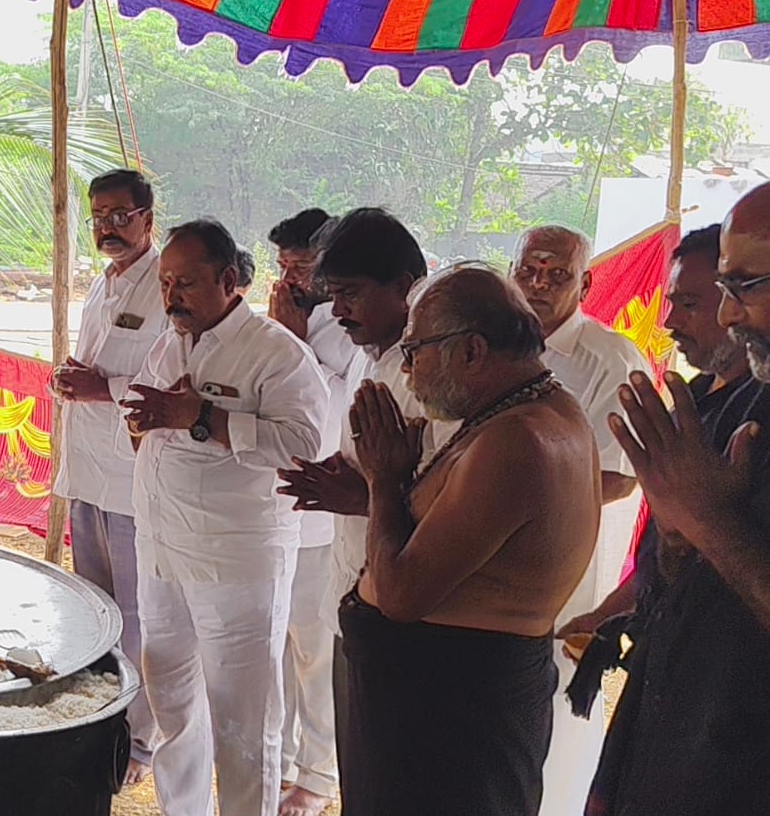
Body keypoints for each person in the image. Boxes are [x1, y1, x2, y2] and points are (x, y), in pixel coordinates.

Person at [343, 264, 599, 816]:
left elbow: (402, 596)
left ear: (472, 351)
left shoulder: (518, 440)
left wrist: (384, 479)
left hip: (453, 724)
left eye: (414, 352)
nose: (406, 370)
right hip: (446, 705)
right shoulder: (533, 411)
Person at [123, 220, 328, 816]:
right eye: (165, 283)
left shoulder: (276, 352)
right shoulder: (170, 342)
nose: (171, 296)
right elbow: (153, 413)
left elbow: (305, 444)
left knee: (245, 721)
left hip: (235, 562)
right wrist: (145, 421)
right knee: (173, 703)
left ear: (229, 279)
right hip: (162, 550)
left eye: (185, 283)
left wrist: (202, 419)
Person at [588, 184, 770, 815]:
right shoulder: (739, 407)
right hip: (686, 736)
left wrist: (707, 521)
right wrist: (674, 537)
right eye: (722, 289)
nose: (728, 315)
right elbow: (684, 582)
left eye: (745, 286)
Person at [275, 207, 431, 808]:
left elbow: (454, 491)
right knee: (362, 760)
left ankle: (316, 778)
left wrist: (362, 496)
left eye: (349, 294)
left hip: (408, 605)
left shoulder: (428, 374)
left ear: (404, 287)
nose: (338, 310)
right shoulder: (373, 353)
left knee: (393, 769)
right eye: (332, 295)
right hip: (356, 581)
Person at [508, 225, 649, 815]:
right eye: (528, 272)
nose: (538, 285)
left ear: (585, 284)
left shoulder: (610, 358)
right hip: (493, 566)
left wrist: (509, 504)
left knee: (559, 713)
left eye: (557, 275)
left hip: (567, 571)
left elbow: (620, 477)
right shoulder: (496, 344)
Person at [558, 225, 749, 652]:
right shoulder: (693, 400)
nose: (669, 323)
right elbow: (664, 552)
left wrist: (707, 519)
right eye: (671, 303)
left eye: (690, 304)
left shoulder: (756, 414)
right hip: (666, 653)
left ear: (736, 305)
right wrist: (604, 614)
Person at [50, 169, 167, 783]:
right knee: (95, 607)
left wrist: (103, 388)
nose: (108, 228)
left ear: (148, 218)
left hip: (132, 481)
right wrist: (75, 379)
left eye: (121, 216)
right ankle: (101, 717)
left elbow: (175, 379)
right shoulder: (104, 281)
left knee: (137, 615)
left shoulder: (166, 284)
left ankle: (140, 741)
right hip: (88, 475)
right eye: (98, 217)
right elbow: (98, 367)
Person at [265, 207, 356, 816]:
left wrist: (295, 342)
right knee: (279, 646)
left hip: (325, 518)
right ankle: (284, 762)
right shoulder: (284, 317)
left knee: (315, 652)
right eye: (283, 264)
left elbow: (328, 414)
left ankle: (319, 776)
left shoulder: (346, 329)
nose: (289, 277)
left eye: (301, 265)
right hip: (278, 513)